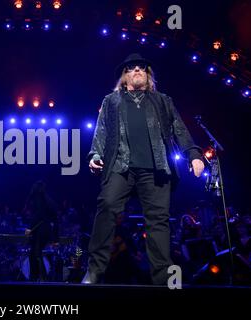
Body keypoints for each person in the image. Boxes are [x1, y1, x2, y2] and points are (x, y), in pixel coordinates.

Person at [83, 53, 205, 285]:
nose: (137, 70)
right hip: (121, 166)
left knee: (158, 221)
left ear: (148, 75)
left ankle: (162, 279)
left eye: (142, 67)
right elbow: (101, 132)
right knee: (107, 206)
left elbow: (179, 128)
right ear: (125, 75)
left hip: (156, 168)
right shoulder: (111, 101)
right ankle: (95, 271)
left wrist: (193, 154)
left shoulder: (162, 100)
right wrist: (95, 155)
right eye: (131, 68)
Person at [24, 181, 58, 281]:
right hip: (46, 231)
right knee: (35, 253)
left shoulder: (39, 199)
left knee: (35, 254)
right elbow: (55, 219)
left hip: (41, 231)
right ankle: (39, 277)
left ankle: (39, 278)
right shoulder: (47, 200)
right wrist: (55, 238)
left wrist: (30, 228)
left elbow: (38, 215)